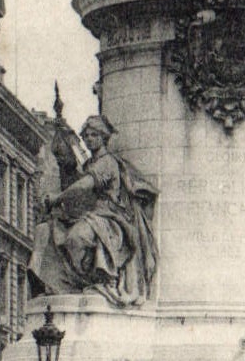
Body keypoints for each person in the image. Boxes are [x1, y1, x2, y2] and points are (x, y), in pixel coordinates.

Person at [28, 115, 158, 306]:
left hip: (110, 217)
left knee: (76, 237)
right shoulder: (89, 164)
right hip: (91, 215)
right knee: (45, 230)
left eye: (94, 135)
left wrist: (57, 197)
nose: (89, 139)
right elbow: (80, 192)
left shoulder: (107, 162)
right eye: (86, 135)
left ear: (103, 137)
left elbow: (84, 186)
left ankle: (100, 280)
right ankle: (60, 283)